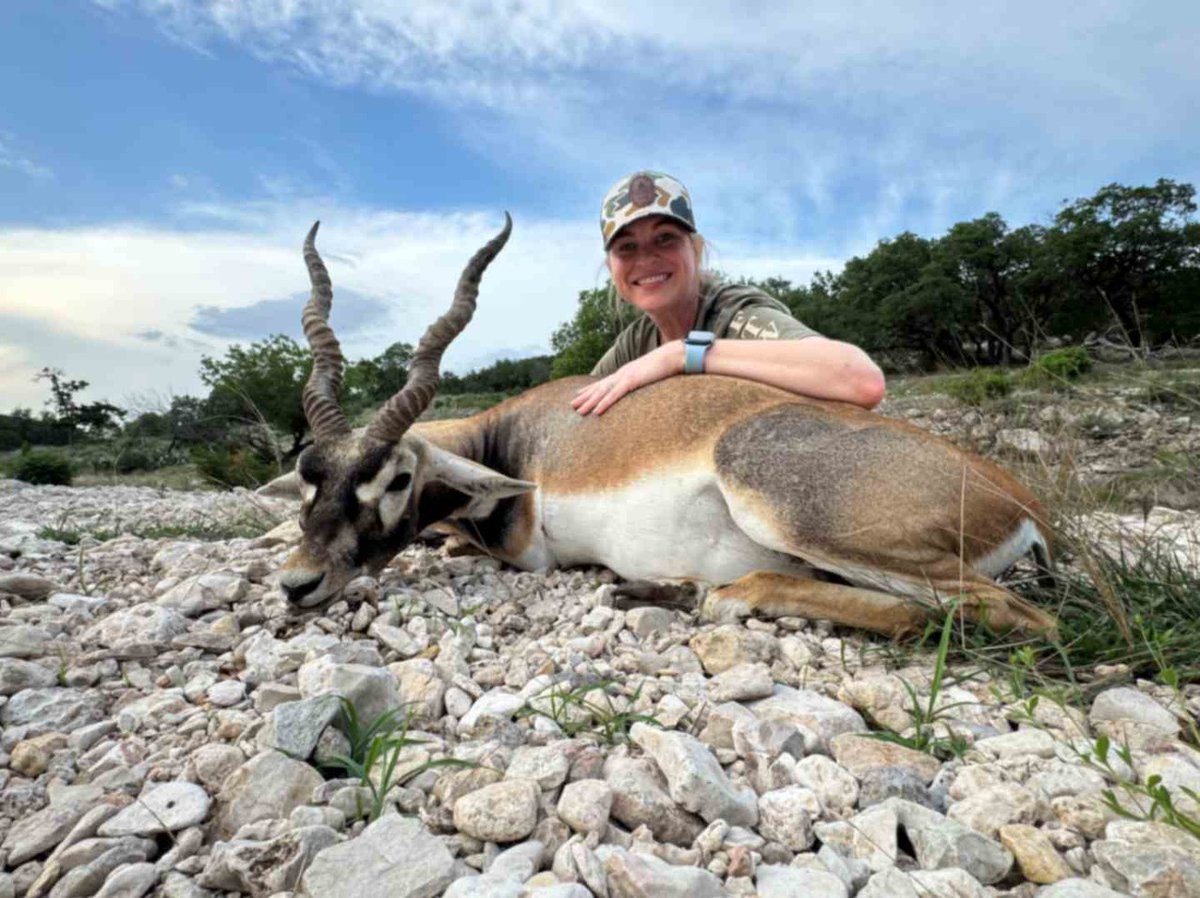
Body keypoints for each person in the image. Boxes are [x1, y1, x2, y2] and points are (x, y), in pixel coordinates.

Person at [572, 171, 886, 417]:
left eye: (665, 238)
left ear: (695, 249)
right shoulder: (635, 343)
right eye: (626, 247)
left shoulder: (735, 315)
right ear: (611, 268)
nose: (645, 258)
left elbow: (861, 380)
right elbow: (577, 402)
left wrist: (681, 355)